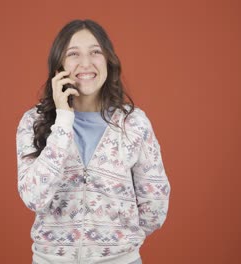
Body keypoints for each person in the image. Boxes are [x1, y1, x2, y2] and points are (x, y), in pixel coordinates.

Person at [16, 19, 171, 264]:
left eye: (95, 52)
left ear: (108, 60)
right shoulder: (33, 122)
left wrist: (118, 248)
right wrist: (64, 119)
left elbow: (155, 203)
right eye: (73, 54)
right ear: (59, 66)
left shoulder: (134, 123)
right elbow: (34, 197)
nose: (86, 63)